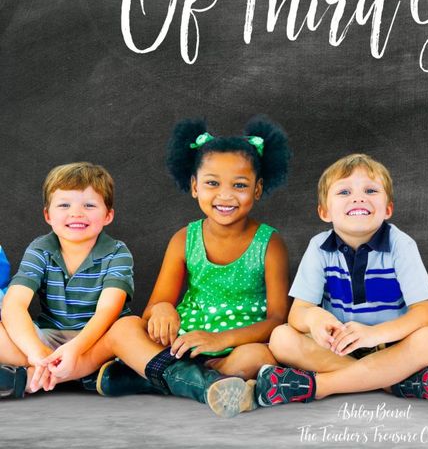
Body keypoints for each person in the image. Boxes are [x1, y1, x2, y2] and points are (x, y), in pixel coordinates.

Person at [97, 116, 291, 418]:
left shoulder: (270, 243)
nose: (225, 195)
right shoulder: (184, 238)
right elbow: (153, 309)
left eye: (239, 185)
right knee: (125, 327)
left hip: (237, 344)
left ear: (257, 189)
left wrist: (220, 340)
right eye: (212, 183)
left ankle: (156, 378)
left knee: (260, 356)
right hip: (183, 343)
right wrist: (162, 309)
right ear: (194, 186)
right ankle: (204, 386)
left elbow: (278, 319)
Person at [258, 153, 428, 406]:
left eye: (370, 190)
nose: (359, 197)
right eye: (344, 192)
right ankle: (393, 381)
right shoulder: (319, 247)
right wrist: (315, 319)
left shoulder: (400, 244)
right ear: (324, 212)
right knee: (281, 338)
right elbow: (298, 313)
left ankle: (320, 386)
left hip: (390, 344)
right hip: (338, 346)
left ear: (388, 209)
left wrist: (374, 334)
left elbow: (425, 313)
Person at [0, 162, 133, 399]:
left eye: (89, 205)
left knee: (130, 329)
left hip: (96, 339)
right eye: (64, 205)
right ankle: (58, 370)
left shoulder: (117, 252)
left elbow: (107, 312)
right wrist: (37, 352)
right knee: (8, 322)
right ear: (48, 215)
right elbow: (14, 305)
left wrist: (76, 348)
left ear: (108, 215)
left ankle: (31, 378)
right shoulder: (40, 249)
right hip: (50, 337)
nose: (76, 213)